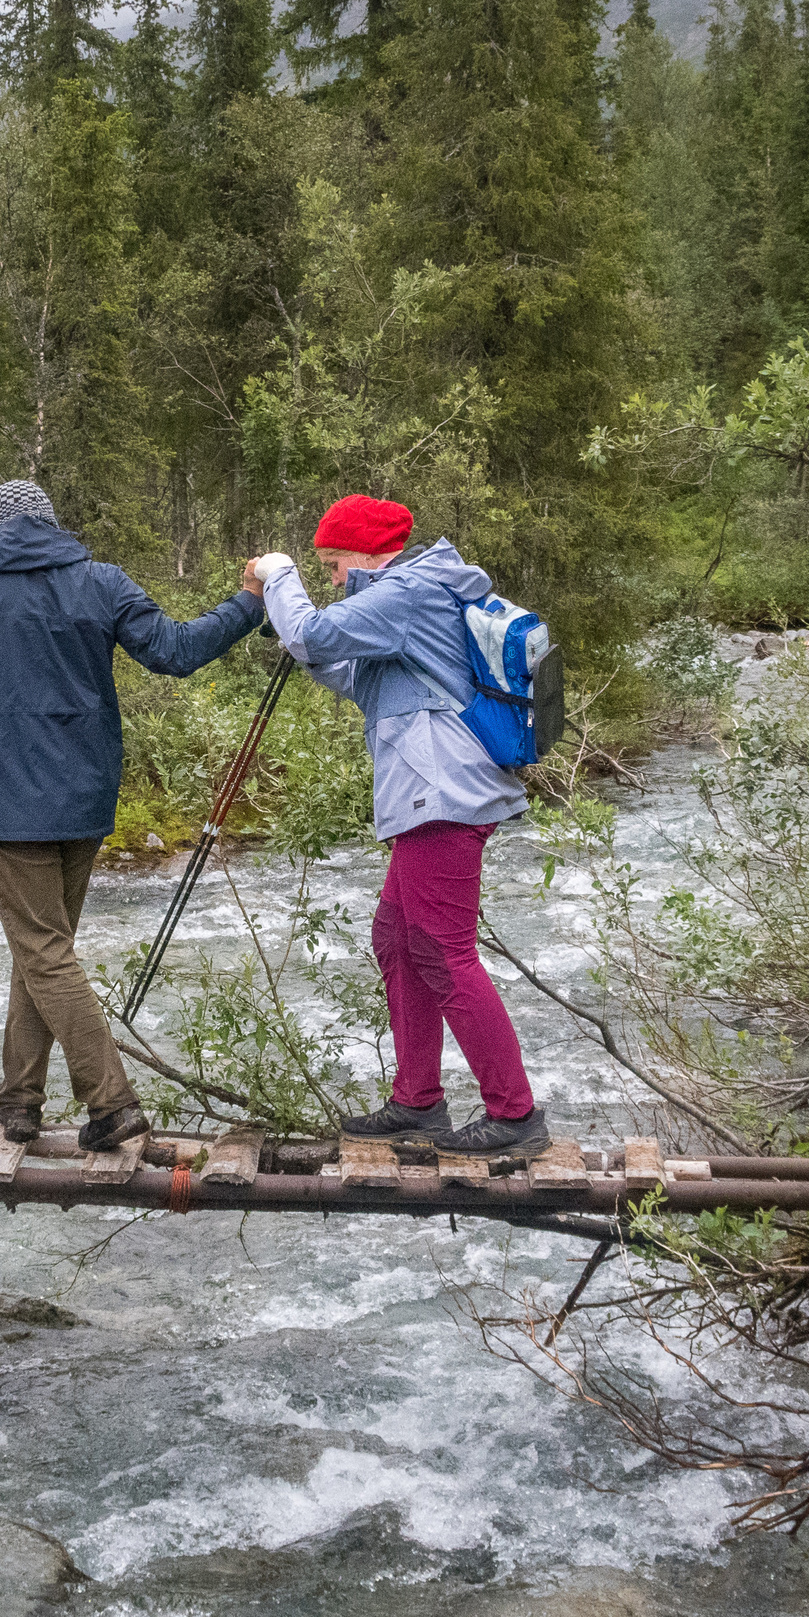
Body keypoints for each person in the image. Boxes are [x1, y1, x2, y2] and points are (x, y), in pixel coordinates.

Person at [0, 480, 265, 1152]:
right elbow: (177, 652)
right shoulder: (100, 581)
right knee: (42, 947)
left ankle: (111, 1100)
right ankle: (19, 1102)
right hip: (86, 797)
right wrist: (249, 603)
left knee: (43, 949)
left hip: (7, 803)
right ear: (49, 524)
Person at [246, 495, 549, 1157]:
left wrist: (281, 574)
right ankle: (418, 1102)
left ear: (360, 555)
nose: (330, 577)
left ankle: (515, 1114)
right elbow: (352, 674)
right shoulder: (408, 598)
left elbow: (318, 636)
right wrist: (282, 614)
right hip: (427, 796)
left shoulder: (408, 590)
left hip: (444, 796)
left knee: (443, 951)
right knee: (396, 938)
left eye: (331, 564)